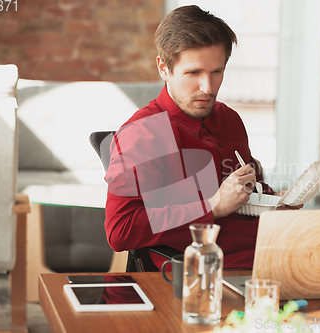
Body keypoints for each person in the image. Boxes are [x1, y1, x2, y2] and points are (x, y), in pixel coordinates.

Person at [104, 5, 292, 271]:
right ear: (164, 68)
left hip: (271, 248)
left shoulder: (229, 119)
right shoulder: (142, 134)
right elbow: (120, 230)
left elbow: (249, 192)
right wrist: (212, 207)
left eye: (217, 72)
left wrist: (275, 202)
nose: (208, 87)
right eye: (193, 73)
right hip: (208, 272)